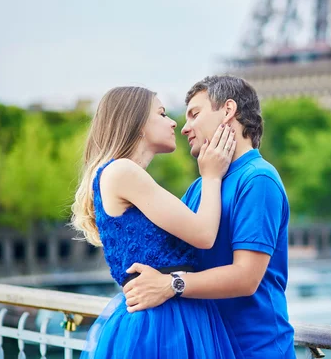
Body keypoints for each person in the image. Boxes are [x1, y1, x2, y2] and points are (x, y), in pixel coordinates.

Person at [122, 75, 296, 358]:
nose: (185, 128)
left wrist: (170, 285)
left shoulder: (258, 179)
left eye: (195, 114)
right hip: (208, 344)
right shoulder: (202, 185)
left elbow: (246, 277)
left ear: (228, 111)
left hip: (253, 348)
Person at [70, 86, 242, 359]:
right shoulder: (123, 171)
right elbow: (204, 234)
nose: (174, 122)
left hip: (165, 316)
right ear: (137, 124)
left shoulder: (121, 173)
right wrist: (211, 177)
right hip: (163, 322)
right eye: (161, 114)